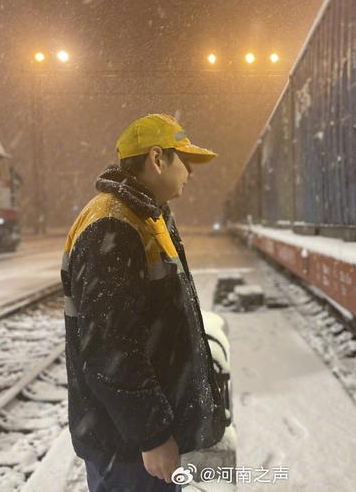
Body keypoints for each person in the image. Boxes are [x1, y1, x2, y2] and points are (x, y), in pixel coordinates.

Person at [61, 113, 226, 492]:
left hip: (136, 441)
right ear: (157, 158)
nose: (190, 172)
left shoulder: (144, 215)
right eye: (184, 160)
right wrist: (151, 435)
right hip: (128, 450)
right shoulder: (112, 226)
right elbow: (109, 350)